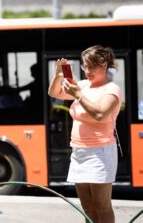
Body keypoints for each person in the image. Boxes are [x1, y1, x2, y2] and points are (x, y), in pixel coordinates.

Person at [48, 45, 121, 223]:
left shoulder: (111, 89)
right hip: (79, 151)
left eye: (92, 67)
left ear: (104, 65)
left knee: (101, 206)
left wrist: (79, 95)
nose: (87, 71)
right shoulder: (82, 85)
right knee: (87, 207)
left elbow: (99, 114)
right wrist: (58, 74)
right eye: (84, 66)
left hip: (100, 152)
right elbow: (53, 92)